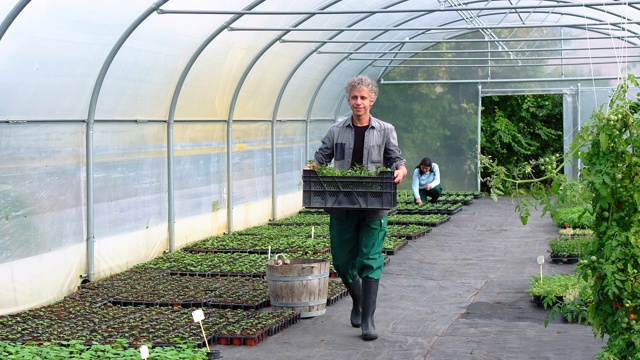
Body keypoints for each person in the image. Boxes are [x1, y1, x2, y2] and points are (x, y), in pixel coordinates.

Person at [304, 75, 407, 341]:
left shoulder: (385, 130)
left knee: (371, 258)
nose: (358, 102)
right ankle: (358, 301)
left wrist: (401, 170)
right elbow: (321, 157)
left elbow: (395, 159)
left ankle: (369, 320)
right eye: (354, 97)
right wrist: (310, 168)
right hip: (341, 204)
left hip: (374, 204)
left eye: (363, 97)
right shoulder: (337, 130)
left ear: (372, 100)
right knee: (341, 260)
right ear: (349, 100)